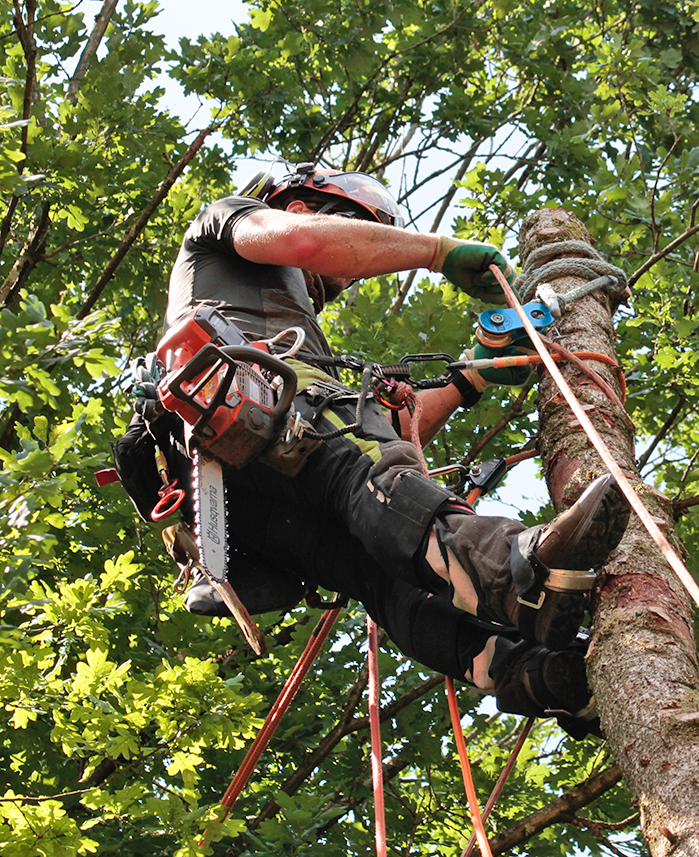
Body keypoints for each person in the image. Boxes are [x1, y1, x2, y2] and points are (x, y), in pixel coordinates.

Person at [120, 163, 627, 733]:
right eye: (355, 229)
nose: (346, 280)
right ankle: (518, 573)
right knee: (367, 468)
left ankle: (530, 673)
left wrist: (475, 372)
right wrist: (439, 252)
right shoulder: (223, 226)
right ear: (299, 205)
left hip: (236, 492)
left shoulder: (279, 323)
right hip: (246, 405)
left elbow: (391, 427)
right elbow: (306, 242)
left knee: (379, 570)